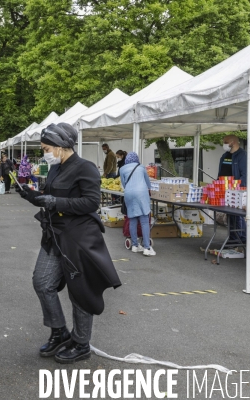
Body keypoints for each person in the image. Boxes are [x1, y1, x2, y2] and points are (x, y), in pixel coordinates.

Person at [15, 122, 121, 364]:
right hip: (54, 235)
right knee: (42, 282)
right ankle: (59, 330)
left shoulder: (86, 168)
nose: (44, 153)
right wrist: (34, 196)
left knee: (79, 291)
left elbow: (91, 203)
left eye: (46, 148)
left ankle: (81, 342)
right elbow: (50, 195)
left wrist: (54, 202)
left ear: (61, 146)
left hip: (78, 238)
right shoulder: (54, 168)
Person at [119, 152, 155, 256]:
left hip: (129, 193)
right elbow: (148, 183)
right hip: (141, 194)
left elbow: (124, 183)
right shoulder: (141, 167)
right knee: (144, 220)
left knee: (132, 219)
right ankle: (147, 248)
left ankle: (135, 245)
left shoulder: (122, 169)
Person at [218, 135, 248, 240]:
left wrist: (239, 189)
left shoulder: (242, 155)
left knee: (237, 215)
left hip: (236, 190)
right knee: (231, 215)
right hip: (224, 189)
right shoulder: (225, 155)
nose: (224, 144)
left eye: (226, 142)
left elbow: (245, 174)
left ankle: (241, 238)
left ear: (233, 142)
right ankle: (233, 238)